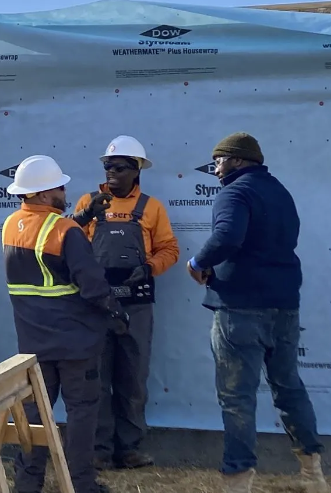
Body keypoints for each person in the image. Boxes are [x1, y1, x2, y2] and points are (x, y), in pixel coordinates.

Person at [186, 132, 328, 493]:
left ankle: (238, 482)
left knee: (236, 398)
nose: (215, 169)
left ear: (236, 160)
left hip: (240, 309)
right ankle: (313, 475)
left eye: (218, 161)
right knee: (290, 388)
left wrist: (197, 262)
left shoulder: (234, 192)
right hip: (284, 306)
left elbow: (227, 237)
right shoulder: (278, 191)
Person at [3, 154, 130, 493]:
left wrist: (83, 216)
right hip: (75, 344)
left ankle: (28, 484)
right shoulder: (66, 231)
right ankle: (81, 484)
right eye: (58, 187)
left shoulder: (12, 225)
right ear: (44, 194)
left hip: (34, 345)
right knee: (82, 414)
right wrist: (115, 312)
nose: (63, 190)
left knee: (34, 416)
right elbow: (92, 285)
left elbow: (47, 244)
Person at [71, 135, 179, 470]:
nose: (112, 173)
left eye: (120, 167)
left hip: (137, 305)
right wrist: (85, 216)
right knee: (97, 379)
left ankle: (129, 449)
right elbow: (67, 244)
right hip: (96, 304)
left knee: (133, 377)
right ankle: (99, 450)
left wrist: (148, 268)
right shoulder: (88, 202)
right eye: (108, 167)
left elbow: (169, 249)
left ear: (136, 171)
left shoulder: (151, 207)